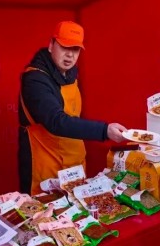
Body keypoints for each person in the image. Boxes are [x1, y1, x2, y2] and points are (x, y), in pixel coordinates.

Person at [18, 20, 127, 194]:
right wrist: (104, 130)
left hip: (74, 165)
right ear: (51, 45)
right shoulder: (35, 79)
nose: (70, 55)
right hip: (45, 166)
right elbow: (56, 121)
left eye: (75, 49)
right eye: (64, 47)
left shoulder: (70, 74)